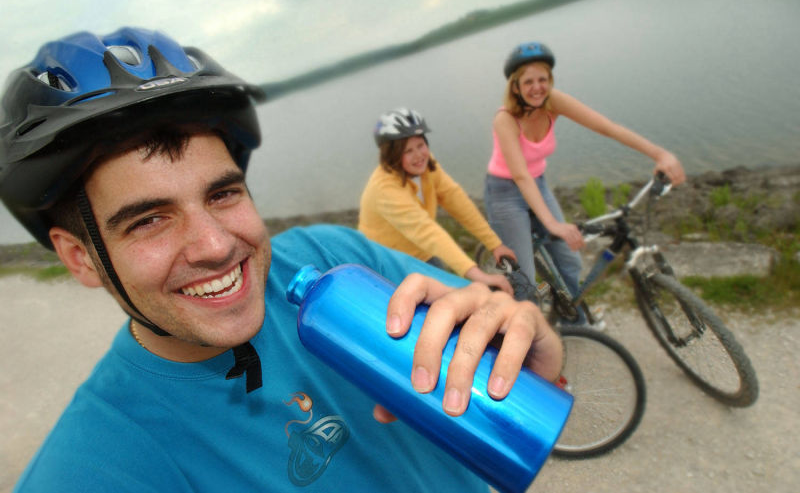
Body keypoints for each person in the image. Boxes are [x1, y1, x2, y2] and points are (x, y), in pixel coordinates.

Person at [0, 28, 562, 492]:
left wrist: (530, 352)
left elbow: (531, 387)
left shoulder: (334, 257)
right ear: (81, 259)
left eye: (223, 194)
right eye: (149, 220)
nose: (217, 246)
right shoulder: (93, 467)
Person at [484, 41, 686, 324]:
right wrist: (553, 224)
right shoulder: (504, 119)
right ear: (515, 87)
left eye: (542, 79)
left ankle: (573, 321)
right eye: (528, 81)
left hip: (537, 183)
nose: (537, 87)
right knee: (525, 283)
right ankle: (517, 340)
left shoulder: (553, 102)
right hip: (505, 192)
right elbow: (519, 175)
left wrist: (660, 154)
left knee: (569, 261)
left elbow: (607, 127)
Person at [359, 108, 516, 294]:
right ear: (391, 156)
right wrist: (479, 275)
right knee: (440, 311)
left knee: (458, 299)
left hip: (422, 253)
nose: (419, 155)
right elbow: (427, 231)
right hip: (388, 265)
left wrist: (494, 244)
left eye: (420, 145)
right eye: (408, 151)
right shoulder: (384, 189)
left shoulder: (425, 165)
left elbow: (455, 199)